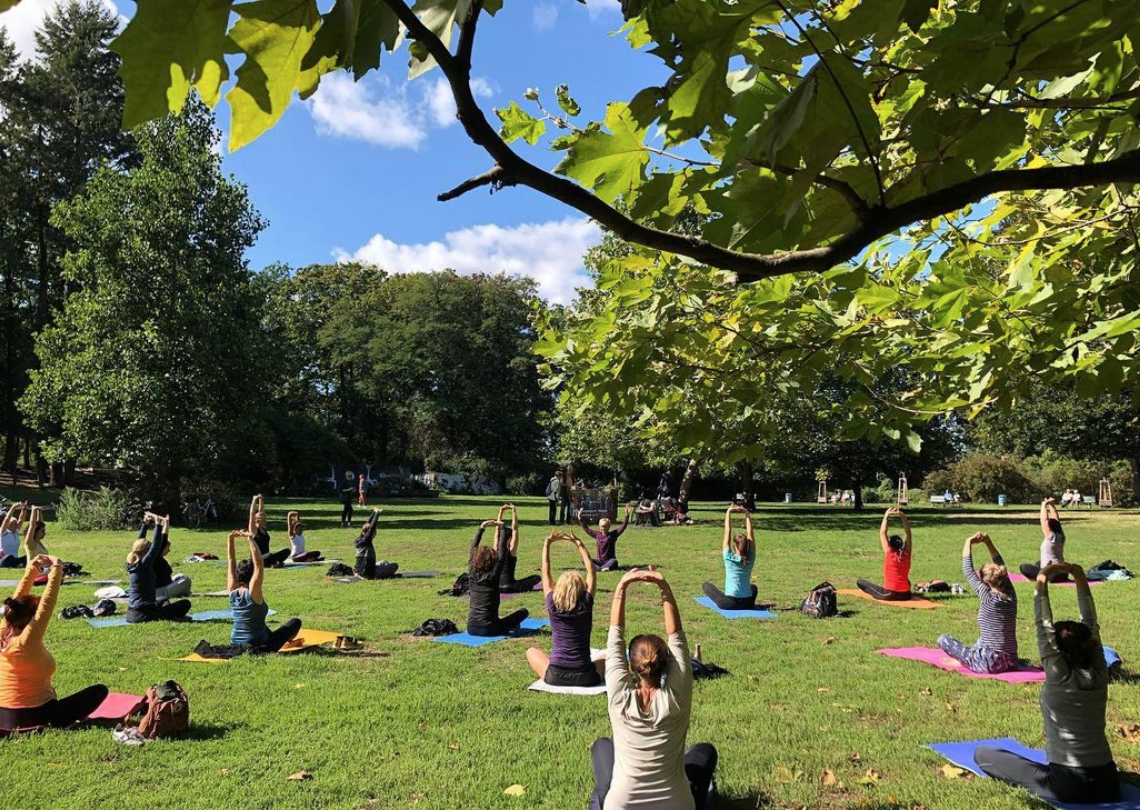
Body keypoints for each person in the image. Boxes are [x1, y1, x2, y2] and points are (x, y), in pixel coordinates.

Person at [975, 562, 1119, 804]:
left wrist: (1042, 579)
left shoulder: (1059, 674)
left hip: (1068, 785)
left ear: (1059, 651)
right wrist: (1079, 576)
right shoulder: (1100, 673)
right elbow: (1091, 624)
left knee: (984, 754)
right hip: (1108, 783)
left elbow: (1043, 624)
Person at [590, 567, 717, 810]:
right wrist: (664, 587)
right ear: (667, 664)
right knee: (705, 752)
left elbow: (615, 638)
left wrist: (621, 587)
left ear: (631, 666)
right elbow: (676, 636)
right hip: (678, 805)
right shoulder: (677, 698)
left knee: (602, 746)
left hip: (622, 805)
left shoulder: (619, 699)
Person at [0, 553, 108, 730]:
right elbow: (47, 603)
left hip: (3, 716)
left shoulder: (4, 631)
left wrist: (32, 570)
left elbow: (16, 602)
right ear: (31, 618)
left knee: (50, 692)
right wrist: (57, 568)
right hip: (35, 716)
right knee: (99, 690)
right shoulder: (27, 641)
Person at [526, 531, 603, 687]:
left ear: (559, 587)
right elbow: (591, 571)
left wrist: (547, 545)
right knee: (609, 657)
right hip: (586, 676)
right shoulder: (586, 603)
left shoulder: (552, 603)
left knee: (531, 651)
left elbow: (545, 572)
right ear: (581, 587)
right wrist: (579, 544)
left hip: (555, 676)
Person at [936, 533, 1017, 673]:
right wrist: (988, 542)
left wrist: (968, 541)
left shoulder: (987, 597)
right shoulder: (1011, 596)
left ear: (986, 582)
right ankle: (970, 656)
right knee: (981, 640)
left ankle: (965, 660)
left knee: (943, 639)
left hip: (990, 663)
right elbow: (1000, 563)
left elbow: (968, 570)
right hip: (1011, 661)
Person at [227, 529, 302, 652]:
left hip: (234, 642)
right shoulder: (253, 592)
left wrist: (230, 539)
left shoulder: (232, 590)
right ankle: (288, 641)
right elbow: (258, 564)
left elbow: (231, 561)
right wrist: (250, 539)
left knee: (263, 626)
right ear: (252, 575)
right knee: (295, 622)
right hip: (259, 645)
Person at [125, 514, 192, 623]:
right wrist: (157, 523)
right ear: (146, 551)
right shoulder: (145, 564)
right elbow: (156, 545)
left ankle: (172, 615)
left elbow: (139, 542)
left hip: (132, 614)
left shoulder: (130, 564)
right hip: (144, 615)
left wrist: (145, 524)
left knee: (162, 600)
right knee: (185, 604)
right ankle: (172, 616)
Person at [467, 518, 529, 637]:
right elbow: (501, 553)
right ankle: (508, 627)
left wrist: (482, 527)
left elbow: (472, 549)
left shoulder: (472, 573)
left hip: (471, 628)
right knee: (523, 612)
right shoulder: (493, 576)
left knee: (503, 621)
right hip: (490, 628)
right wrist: (502, 528)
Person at [701, 504, 757, 610]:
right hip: (747, 603)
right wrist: (747, 514)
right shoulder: (751, 557)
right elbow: (750, 535)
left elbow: (728, 531)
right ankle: (746, 601)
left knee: (706, 585)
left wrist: (728, 512)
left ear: (735, 545)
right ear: (747, 545)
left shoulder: (728, 557)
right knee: (753, 587)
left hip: (729, 603)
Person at [856, 507, 913, 601]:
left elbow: (883, 533)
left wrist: (886, 516)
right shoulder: (906, 554)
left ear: (890, 544)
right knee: (907, 581)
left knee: (860, 582)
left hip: (889, 594)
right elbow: (908, 534)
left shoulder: (889, 552)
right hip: (906, 595)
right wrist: (903, 516)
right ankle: (901, 590)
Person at [496, 503, 541, 593]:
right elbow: (515, 529)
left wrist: (501, 511)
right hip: (510, 586)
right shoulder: (511, 549)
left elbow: (497, 530)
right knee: (537, 577)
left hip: (497, 587)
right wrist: (514, 511)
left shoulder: (496, 549)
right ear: (510, 538)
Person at [1021, 498, 1067, 583]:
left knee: (1024, 567)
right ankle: (1039, 576)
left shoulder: (1051, 536)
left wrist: (1044, 505)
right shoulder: (1062, 536)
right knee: (1038, 563)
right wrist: (1052, 505)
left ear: (1050, 528)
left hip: (1052, 575)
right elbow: (1056, 519)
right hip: (1063, 573)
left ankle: (1037, 578)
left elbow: (1044, 520)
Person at [579, 504, 632, 571]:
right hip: (599, 562)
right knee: (584, 559)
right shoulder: (597, 534)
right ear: (599, 527)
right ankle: (600, 569)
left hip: (609, 561)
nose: (603, 528)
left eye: (605, 526)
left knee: (614, 561)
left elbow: (623, 527)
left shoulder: (613, 535)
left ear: (609, 526)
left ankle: (599, 568)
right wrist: (580, 518)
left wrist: (627, 515)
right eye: (601, 526)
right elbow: (586, 529)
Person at [151, 521, 192, 601]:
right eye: (168, 548)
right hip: (160, 592)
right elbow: (162, 540)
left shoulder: (159, 558)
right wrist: (165, 525)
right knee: (186, 580)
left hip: (165, 585)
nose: (169, 550)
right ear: (162, 548)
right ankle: (181, 592)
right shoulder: (155, 558)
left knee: (181, 576)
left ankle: (180, 591)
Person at [354, 507, 398, 579]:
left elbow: (368, 524)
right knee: (395, 565)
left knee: (384, 561)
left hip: (360, 571)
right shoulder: (367, 541)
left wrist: (373, 512)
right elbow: (372, 527)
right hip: (369, 574)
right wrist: (377, 513)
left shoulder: (359, 539)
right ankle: (377, 575)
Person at [249, 494, 290, 568]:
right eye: (264, 519)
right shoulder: (254, 530)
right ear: (257, 520)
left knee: (287, 551)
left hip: (266, 557)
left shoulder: (263, 529)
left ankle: (273, 563)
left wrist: (261, 499)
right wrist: (254, 500)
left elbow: (261, 511)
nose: (265, 521)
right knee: (270, 555)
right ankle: (274, 563)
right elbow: (252, 514)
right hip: (257, 559)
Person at [0, 502, 28, 568]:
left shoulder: (16, 532)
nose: (16, 525)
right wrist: (13, 508)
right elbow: (7, 519)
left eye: (16, 523)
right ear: (7, 525)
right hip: (4, 560)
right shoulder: (3, 532)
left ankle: (18, 565)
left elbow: (21, 520)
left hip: (15, 560)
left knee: (28, 557)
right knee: (9, 556)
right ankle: (17, 565)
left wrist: (24, 508)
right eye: (13, 524)